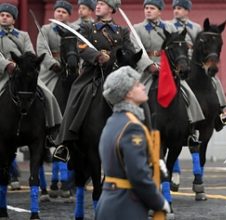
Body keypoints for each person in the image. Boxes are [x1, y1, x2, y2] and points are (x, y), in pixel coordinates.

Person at [54, 0, 157, 161]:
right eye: (98, 4)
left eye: (102, 3)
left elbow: (131, 50)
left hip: (117, 72)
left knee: (140, 97)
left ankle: (149, 137)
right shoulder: (88, 27)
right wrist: (97, 56)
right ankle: (65, 142)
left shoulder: (121, 31)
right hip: (94, 71)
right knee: (78, 94)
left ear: (111, 8)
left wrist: (146, 64)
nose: (98, 6)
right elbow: (81, 47)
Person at [96, 66, 170, 219]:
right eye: (137, 84)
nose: (143, 86)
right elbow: (137, 174)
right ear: (128, 93)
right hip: (125, 207)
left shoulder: (113, 121)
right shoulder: (132, 127)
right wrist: (159, 202)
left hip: (110, 204)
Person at [132, 0, 204, 145]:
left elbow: (180, 48)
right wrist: (149, 65)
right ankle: (134, 127)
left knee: (187, 93)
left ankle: (191, 130)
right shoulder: (137, 28)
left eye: (152, 8)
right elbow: (135, 49)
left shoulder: (170, 28)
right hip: (147, 70)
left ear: (160, 11)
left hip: (169, 70)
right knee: (137, 96)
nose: (148, 11)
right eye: (146, 8)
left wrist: (180, 65)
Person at [0, 3, 62, 143]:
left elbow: (30, 52)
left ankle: (52, 128)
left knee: (48, 94)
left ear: (14, 20)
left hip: (23, 73)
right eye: (2, 15)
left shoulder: (23, 35)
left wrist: (25, 64)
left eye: (8, 16)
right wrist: (7, 64)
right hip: (2, 74)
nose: (4, 18)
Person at [169, 0, 226, 128]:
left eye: (180, 8)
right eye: (175, 8)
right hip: (176, 61)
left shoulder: (196, 27)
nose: (176, 10)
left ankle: (221, 111)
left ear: (187, 11)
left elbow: (200, 46)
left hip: (194, 60)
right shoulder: (168, 26)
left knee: (214, 80)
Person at [36, 0, 74, 197]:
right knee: (46, 94)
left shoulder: (74, 30)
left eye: (63, 12)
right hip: (51, 73)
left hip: (70, 70)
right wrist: (54, 64)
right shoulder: (45, 29)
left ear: (69, 15)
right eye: (57, 11)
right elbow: (41, 50)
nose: (60, 14)